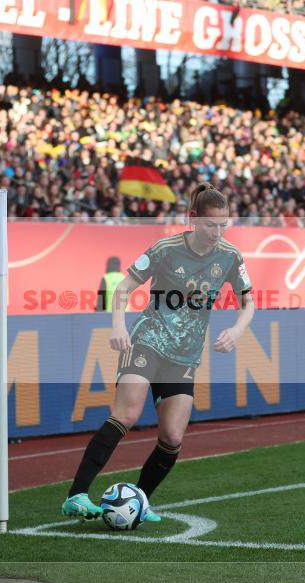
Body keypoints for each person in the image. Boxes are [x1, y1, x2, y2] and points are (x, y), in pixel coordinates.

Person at [61, 183, 255, 522]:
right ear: (193, 220)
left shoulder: (230, 257)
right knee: (128, 414)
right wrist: (118, 326)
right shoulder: (166, 248)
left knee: (172, 436)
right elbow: (123, 289)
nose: (217, 232)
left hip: (185, 355)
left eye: (224, 225)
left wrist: (237, 330)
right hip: (149, 339)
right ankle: (76, 495)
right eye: (211, 225)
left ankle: (139, 502)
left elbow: (249, 302)